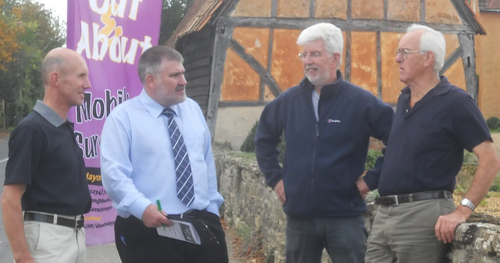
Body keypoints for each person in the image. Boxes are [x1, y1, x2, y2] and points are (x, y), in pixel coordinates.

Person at [254, 23, 395, 263]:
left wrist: (371, 180)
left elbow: (397, 139)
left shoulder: (360, 101)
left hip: (345, 216)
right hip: (299, 218)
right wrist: (276, 179)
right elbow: (263, 139)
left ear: (334, 58)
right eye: (304, 54)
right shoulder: (289, 101)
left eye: (315, 54)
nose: (308, 61)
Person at [362, 24, 500, 263]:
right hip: (384, 214)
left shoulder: (456, 102)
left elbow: (490, 159)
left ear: (428, 58)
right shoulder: (404, 99)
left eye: (404, 52)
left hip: (422, 215)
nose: (397, 59)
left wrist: (463, 210)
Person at [100, 45, 228, 263]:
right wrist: (142, 209)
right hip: (148, 229)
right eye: (175, 75)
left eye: (183, 73)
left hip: (201, 224)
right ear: (151, 80)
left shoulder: (193, 110)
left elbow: (205, 162)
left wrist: (212, 211)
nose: (184, 80)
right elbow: (114, 176)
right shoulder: (122, 119)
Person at [1, 48, 92, 263]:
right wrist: (23, 257)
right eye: (81, 76)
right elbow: (9, 199)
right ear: (56, 79)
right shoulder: (33, 129)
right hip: (49, 241)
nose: (87, 84)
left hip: (75, 235)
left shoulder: (62, 128)